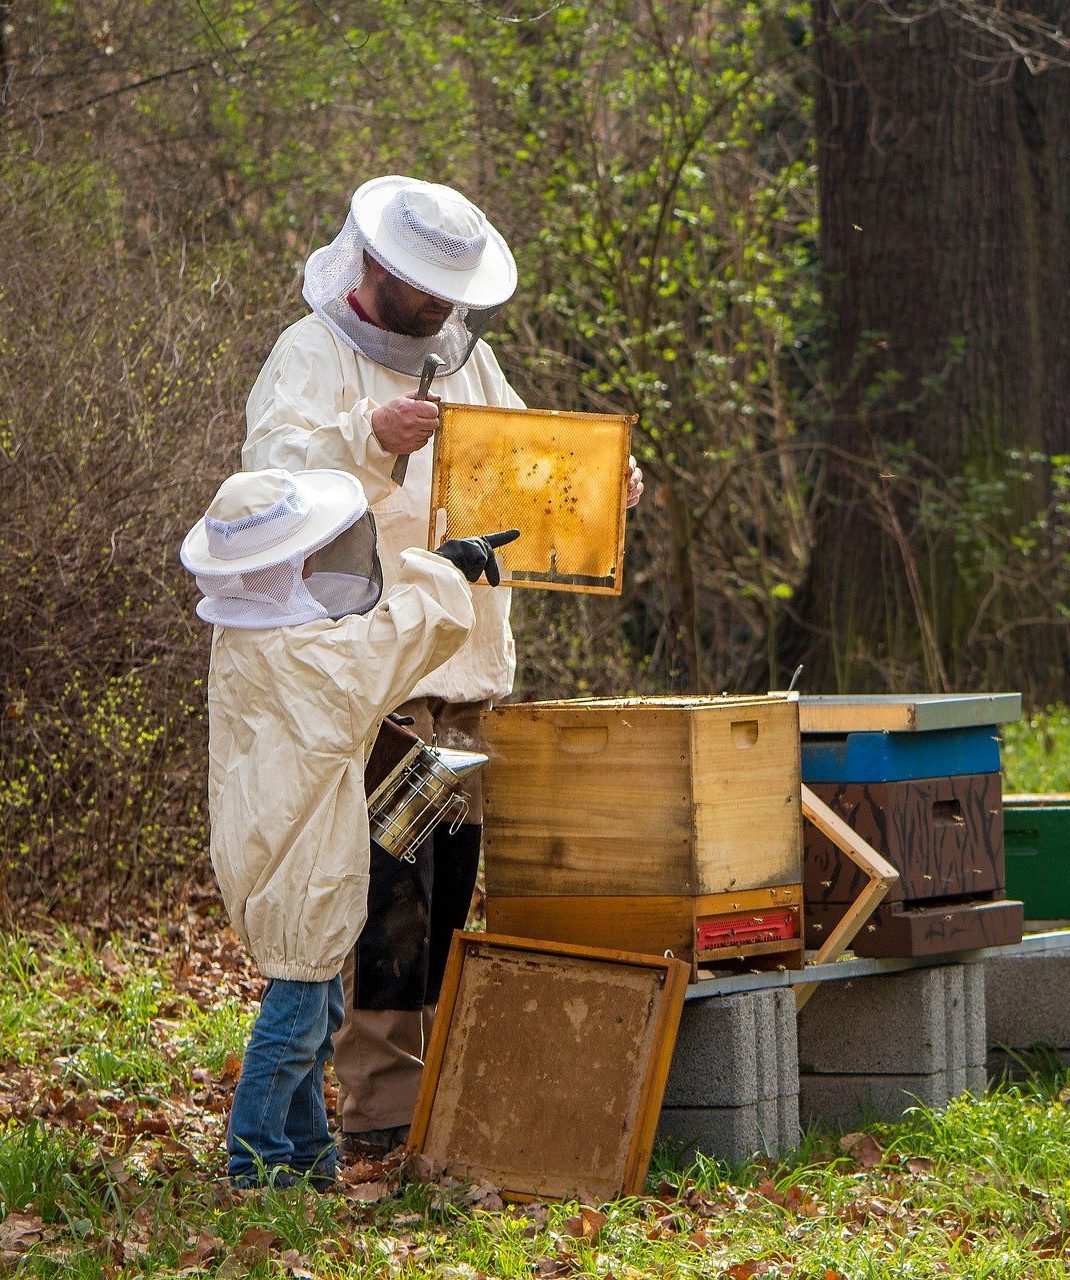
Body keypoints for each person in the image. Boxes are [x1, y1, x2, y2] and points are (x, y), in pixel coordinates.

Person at [242, 175, 643, 1160]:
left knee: (449, 887)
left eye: (448, 289)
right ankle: (382, 1106)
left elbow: (521, 477)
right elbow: (264, 490)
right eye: (423, 287)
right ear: (373, 266)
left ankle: (428, 1099)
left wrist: (600, 490)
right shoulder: (310, 355)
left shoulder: (470, 357)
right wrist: (363, 439)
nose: (438, 307)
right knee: (389, 895)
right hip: (374, 675)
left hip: (466, 677)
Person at [180, 463, 515, 1188]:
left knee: (315, 998)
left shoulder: (250, 642)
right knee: (298, 1011)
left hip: (275, 843)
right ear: (284, 564)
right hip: (297, 858)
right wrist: (442, 570)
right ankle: (256, 1162)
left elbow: (353, 640)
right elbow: (383, 650)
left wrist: (430, 574)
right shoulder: (304, 660)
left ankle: (308, 1156)